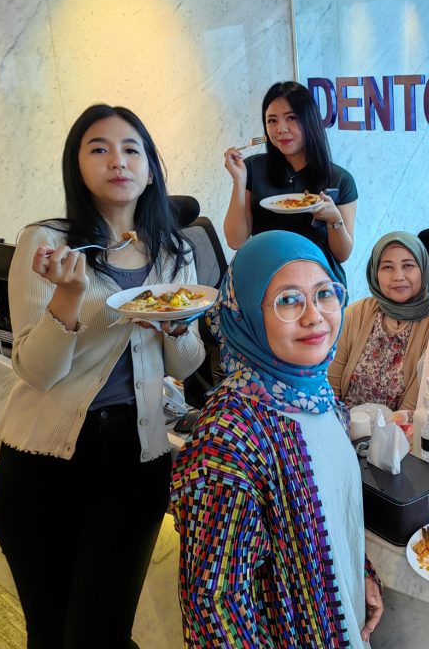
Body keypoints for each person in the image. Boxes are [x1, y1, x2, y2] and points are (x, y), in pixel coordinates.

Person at [0, 105, 206, 649]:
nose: (118, 161)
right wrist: (68, 296)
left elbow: (185, 365)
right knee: (49, 631)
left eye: (132, 149)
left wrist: (176, 324)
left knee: (100, 633)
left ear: (150, 169)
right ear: (77, 166)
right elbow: (36, 371)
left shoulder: (174, 251)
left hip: (135, 457)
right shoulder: (48, 244)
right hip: (42, 461)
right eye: (99, 149)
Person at [171, 230, 382, 647]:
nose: (314, 316)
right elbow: (216, 607)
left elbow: (325, 513)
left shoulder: (318, 398)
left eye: (324, 293)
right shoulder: (228, 441)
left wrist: (359, 570)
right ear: (246, 315)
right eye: (288, 300)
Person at [222, 81, 358, 285]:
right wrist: (239, 180)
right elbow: (235, 240)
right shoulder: (252, 168)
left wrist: (334, 219)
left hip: (317, 281)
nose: (281, 129)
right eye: (272, 120)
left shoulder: (340, 179)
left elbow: (342, 255)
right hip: (265, 279)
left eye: (291, 118)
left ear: (309, 120)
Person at [329, 231, 429, 411]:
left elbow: (411, 409)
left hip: (401, 428)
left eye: (408, 265)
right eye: (387, 267)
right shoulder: (354, 314)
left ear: (423, 270)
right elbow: (331, 389)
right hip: (343, 421)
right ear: (375, 272)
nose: (398, 276)